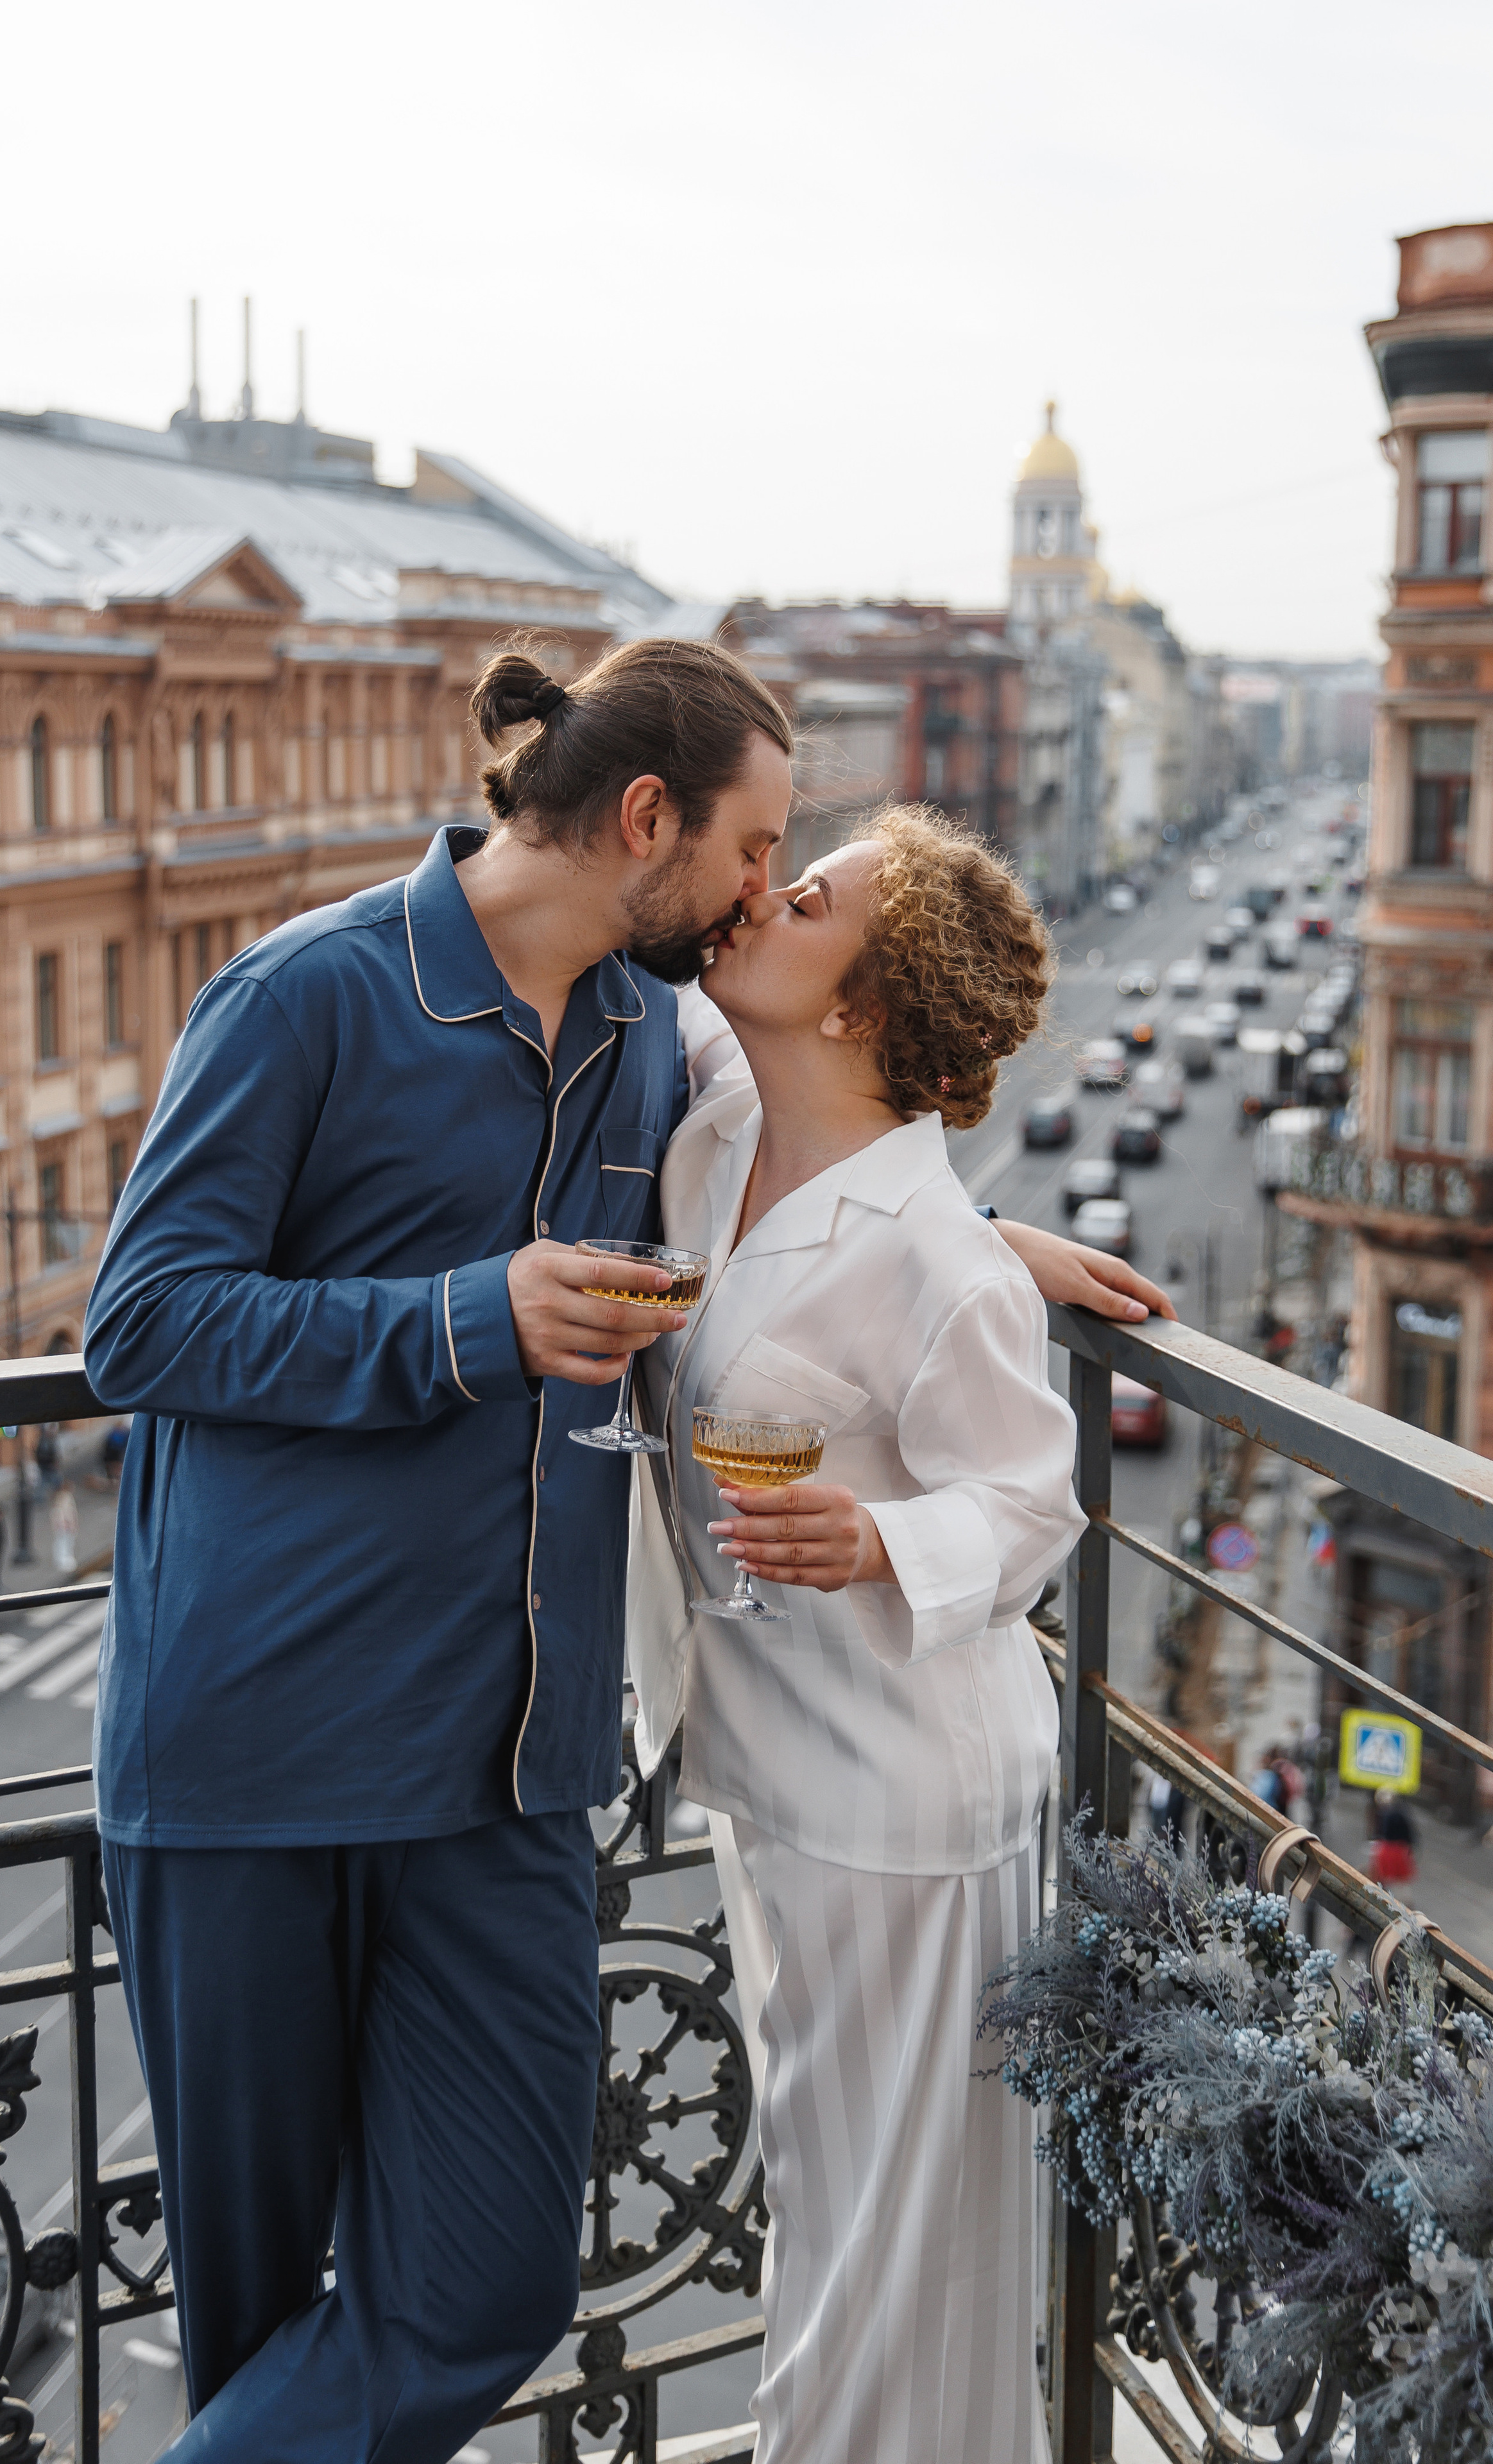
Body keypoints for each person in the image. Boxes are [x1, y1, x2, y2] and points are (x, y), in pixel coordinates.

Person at [83, 638, 1172, 2464]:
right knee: (260, 2315)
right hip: (249, 1756)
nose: (763, 890)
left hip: (512, 1770)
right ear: (649, 819)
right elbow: (142, 1325)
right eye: (757, 850)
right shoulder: (303, 997)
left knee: (497, 2284)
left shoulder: (641, 1042)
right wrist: (467, 1315)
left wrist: (983, 1242)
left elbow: (830, 1155)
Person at [627, 807, 1129, 2464]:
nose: (768, 889)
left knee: (885, 2258)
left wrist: (879, 1536)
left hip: (910, 1813)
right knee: (833, 2209)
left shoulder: (933, 1257)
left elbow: (1036, 1497)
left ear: (856, 1009)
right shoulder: (716, 1130)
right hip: (779, 1781)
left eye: (813, 890)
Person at [1369, 1787, 1417, 1895]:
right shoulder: (1402, 1812)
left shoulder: (1385, 1813)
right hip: (1399, 1848)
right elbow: (1409, 1833)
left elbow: (1381, 1833)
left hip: (1390, 1848)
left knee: (1387, 1876)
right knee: (1399, 1879)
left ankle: (1386, 1896)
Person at [49, 1481, 78, 1577]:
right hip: (64, 1524)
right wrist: (62, 1523)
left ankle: (68, 1559)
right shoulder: (62, 1498)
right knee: (62, 1542)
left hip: (69, 1524)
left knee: (69, 1542)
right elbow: (60, 1512)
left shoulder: (67, 1497)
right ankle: (61, 1561)